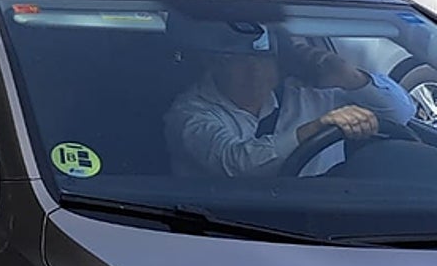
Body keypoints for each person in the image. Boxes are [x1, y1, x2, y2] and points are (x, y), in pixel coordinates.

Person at [164, 20, 415, 177]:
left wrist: (350, 76)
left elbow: (401, 114)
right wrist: (317, 128)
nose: (254, 71)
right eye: (239, 61)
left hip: (332, 219)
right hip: (225, 227)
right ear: (213, 63)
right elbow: (239, 164)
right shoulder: (189, 114)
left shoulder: (310, 94)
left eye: (263, 59)